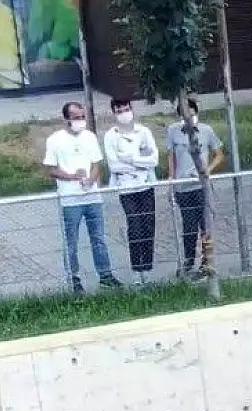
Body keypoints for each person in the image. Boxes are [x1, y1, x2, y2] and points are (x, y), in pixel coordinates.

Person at [41, 101, 122, 294]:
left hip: (92, 197)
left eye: (82, 116)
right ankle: (74, 278)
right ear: (66, 119)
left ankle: (105, 275)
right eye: (76, 117)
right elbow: (51, 169)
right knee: (71, 241)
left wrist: (91, 179)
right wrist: (72, 177)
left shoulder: (90, 137)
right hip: (70, 199)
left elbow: (97, 163)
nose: (80, 121)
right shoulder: (55, 140)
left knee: (98, 238)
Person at [165, 97, 224, 280]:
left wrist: (208, 169)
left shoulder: (206, 130)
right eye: (184, 111)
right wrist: (171, 182)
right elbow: (171, 157)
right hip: (183, 187)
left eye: (190, 110)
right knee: (189, 227)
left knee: (206, 226)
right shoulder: (173, 131)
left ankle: (207, 263)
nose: (188, 114)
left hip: (202, 186)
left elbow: (219, 154)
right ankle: (188, 261)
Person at [103, 98, 161, 283]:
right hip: (126, 188)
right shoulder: (111, 135)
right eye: (119, 111)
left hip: (145, 186)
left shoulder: (143, 131)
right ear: (114, 112)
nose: (123, 113)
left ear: (131, 109)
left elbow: (154, 159)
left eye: (126, 109)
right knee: (135, 227)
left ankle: (148, 268)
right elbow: (114, 165)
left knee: (148, 225)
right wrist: (137, 163)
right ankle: (137, 268)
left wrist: (131, 159)